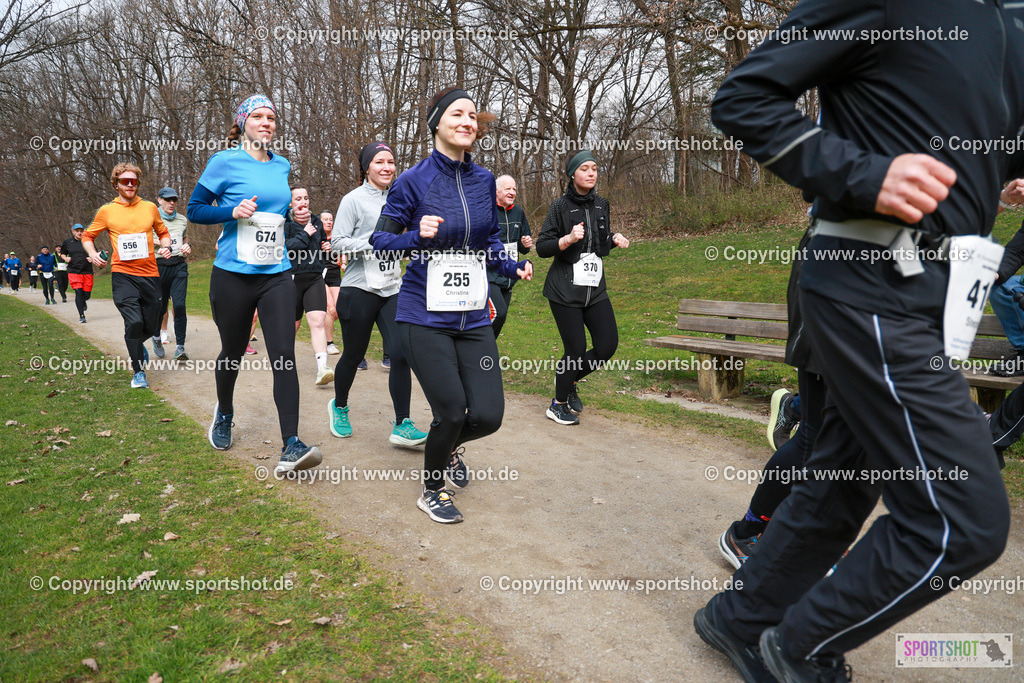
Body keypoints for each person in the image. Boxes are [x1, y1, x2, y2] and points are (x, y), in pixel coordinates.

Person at [693, 3, 1024, 681]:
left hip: (938, 290)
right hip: (866, 278)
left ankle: (744, 618)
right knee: (965, 517)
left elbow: (973, 128)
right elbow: (743, 98)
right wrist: (865, 175)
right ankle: (801, 646)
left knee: (845, 476)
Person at [371, 87, 532, 523]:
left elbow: (488, 238)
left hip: (473, 315)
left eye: (472, 116)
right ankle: (432, 488)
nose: (468, 122)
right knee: (450, 410)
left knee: (489, 415)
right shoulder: (412, 180)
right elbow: (381, 241)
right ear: (436, 124)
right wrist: (414, 235)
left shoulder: (484, 181)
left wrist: (510, 263)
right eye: (457, 114)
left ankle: (449, 443)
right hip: (423, 316)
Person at [186, 94, 322, 474]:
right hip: (232, 276)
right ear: (243, 122)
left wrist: (292, 217)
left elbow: (274, 216)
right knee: (232, 350)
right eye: (258, 116)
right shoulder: (224, 161)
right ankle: (225, 412)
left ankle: (291, 443)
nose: (266, 122)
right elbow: (194, 210)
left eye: (272, 117)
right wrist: (231, 211)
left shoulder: (282, 166)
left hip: (276, 274)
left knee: (284, 354)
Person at [329, 141, 428, 447]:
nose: (387, 167)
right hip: (359, 286)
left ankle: (402, 424)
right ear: (367, 168)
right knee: (354, 355)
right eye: (380, 162)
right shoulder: (353, 200)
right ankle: (340, 406)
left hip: (392, 286)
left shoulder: (401, 199)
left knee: (401, 352)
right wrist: (375, 243)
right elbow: (337, 242)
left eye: (391, 162)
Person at [537, 151, 630, 426]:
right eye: (585, 169)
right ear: (573, 174)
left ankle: (570, 378)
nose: (591, 173)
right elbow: (542, 247)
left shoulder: (602, 204)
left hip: (594, 290)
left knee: (607, 346)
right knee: (575, 349)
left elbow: (600, 247)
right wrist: (566, 239)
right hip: (564, 291)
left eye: (594, 169)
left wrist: (613, 239)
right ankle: (558, 404)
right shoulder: (559, 207)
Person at [82, 162, 171, 389]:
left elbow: (163, 232)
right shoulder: (107, 211)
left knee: (151, 326)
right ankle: (138, 372)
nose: (130, 185)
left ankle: (138, 343)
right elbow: (87, 235)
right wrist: (92, 254)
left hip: (150, 274)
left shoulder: (150, 207)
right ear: (116, 184)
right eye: (125, 181)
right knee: (134, 322)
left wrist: (167, 245)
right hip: (123, 274)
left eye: (134, 181)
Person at [284, 186, 333, 385]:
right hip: (292, 279)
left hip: (314, 277)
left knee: (318, 320)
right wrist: (304, 234)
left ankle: (322, 369)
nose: (303, 202)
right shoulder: (284, 223)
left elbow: (321, 243)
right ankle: (283, 363)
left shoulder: (316, 221)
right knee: (292, 325)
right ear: (291, 203)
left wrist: (326, 247)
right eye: (298, 199)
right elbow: (285, 248)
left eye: (306, 198)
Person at [489, 175, 533, 338]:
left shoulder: (518, 212)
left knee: (501, 316)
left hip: (510, 278)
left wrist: (526, 243)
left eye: (514, 189)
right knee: (498, 313)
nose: (512, 192)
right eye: (508, 188)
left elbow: (524, 247)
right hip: (490, 276)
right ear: (496, 191)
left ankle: (483, 354)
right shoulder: (488, 211)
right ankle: (483, 352)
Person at [152, 186, 191, 361]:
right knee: (160, 308)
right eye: (168, 199)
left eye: (174, 199)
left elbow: (185, 238)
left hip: (179, 265)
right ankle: (157, 337)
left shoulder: (182, 220)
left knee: (180, 305)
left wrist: (186, 246)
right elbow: (143, 237)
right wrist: (161, 243)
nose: (172, 203)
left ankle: (180, 348)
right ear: (159, 200)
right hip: (158, 265)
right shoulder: (151, 218)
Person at [61, 224, 94, 321]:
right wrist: (65, 258)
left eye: (81, 230)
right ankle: (81, 316)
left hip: (87, 270)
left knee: (86, 295)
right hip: (74, 271)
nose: (79, 232)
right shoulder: (67, 242)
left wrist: (92, 257)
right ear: (73, 232)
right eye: (77, 231)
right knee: (78, 292)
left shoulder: (88, 241)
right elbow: (62, 253)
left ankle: (83, 301)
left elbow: (93, 252)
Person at [321, 211, 342, 355]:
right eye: (326, 219)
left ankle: (320, 330)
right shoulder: (316, 236)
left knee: (339, 309)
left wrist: (344, 261)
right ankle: (329, 343)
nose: (329, 222)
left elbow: (344, 250)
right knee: (330, 308)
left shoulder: (337, 236)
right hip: (320, 275)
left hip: (335, 274)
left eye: (331, 219)